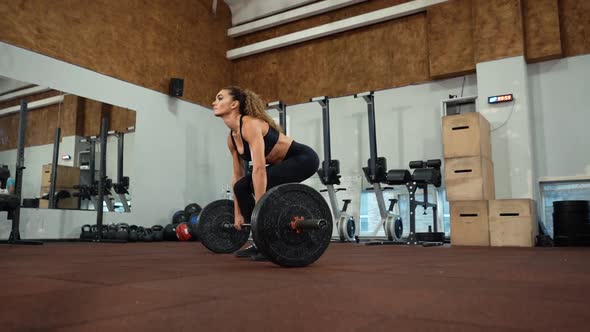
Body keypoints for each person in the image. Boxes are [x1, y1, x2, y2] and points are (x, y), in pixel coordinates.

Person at [212, 86, 320, 260]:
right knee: (241, 187)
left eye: (219, 98)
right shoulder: (231, 138)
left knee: (264, 183)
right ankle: (260, 242)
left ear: (234, 104)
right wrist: (238, 213)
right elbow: (237, 176)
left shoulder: (250, 124)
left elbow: (259, 168)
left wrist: (259, 211)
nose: (214, 102)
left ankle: (271, 241)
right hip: (283, 164)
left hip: (304, 159)